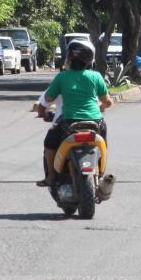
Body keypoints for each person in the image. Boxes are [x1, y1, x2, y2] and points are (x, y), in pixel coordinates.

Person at [34, 39, 113, 186]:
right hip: (96, 122)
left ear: (69, 58)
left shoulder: (62, 77)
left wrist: (42, 113)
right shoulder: (96, 76)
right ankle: (101, 174)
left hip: (68, 122)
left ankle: (51, 177)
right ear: (90, 60)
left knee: (49, 144)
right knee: (103, 145)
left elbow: (45, 102)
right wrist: (101, 107)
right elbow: (108, 102)